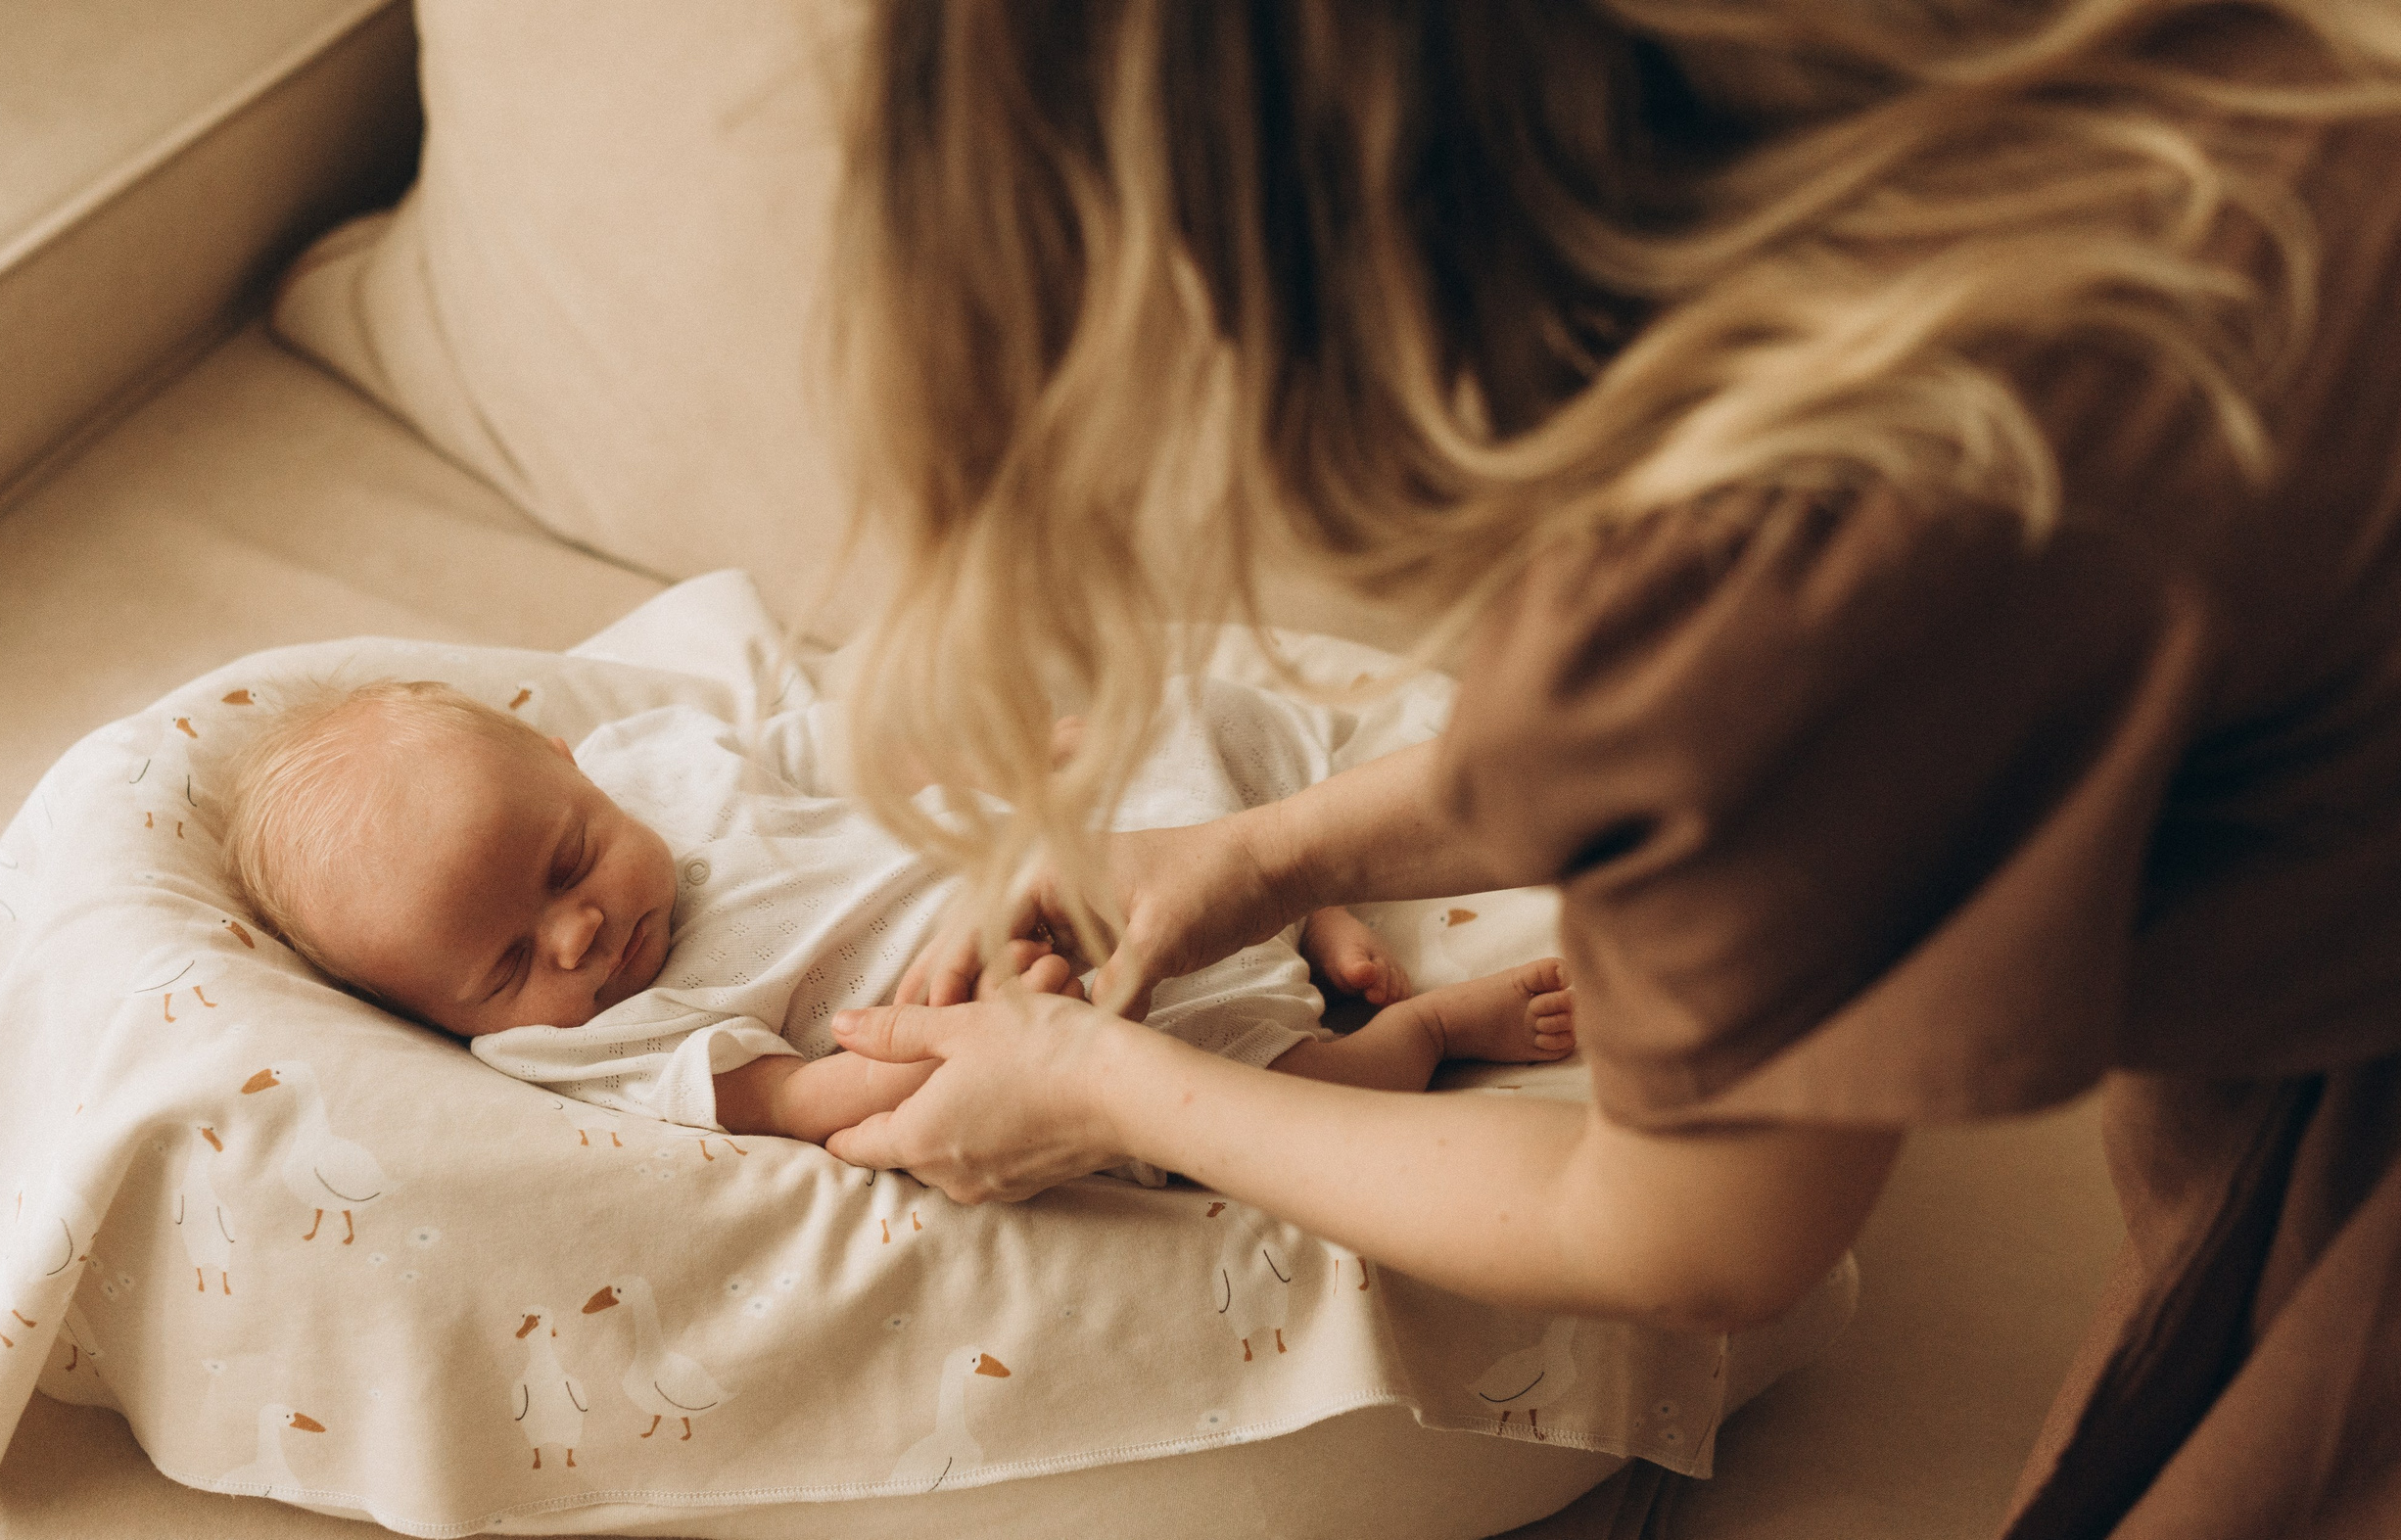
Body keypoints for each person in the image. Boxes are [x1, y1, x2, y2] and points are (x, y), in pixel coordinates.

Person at [809, 3, 2401, 1534]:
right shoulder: (2044, 119)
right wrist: (1255, 855)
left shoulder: (1784, 555)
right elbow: (1757, 741)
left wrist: (1103, 1086)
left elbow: (1697, 1228)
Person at [217, 678, 1575, 1147]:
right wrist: (981, 1051)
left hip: (1079, 857)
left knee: (1174, 719)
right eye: (509, 960)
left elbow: (835, 748)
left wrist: (982, 749)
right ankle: (1434, 1025)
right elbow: (793, 1098)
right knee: (1287, 1094)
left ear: (574, 769)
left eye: (569, 862)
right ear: (440, 1017)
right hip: (1051, 1004)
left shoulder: (657, 762)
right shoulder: (574, 1043)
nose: (577, 934)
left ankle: (1315, 893)